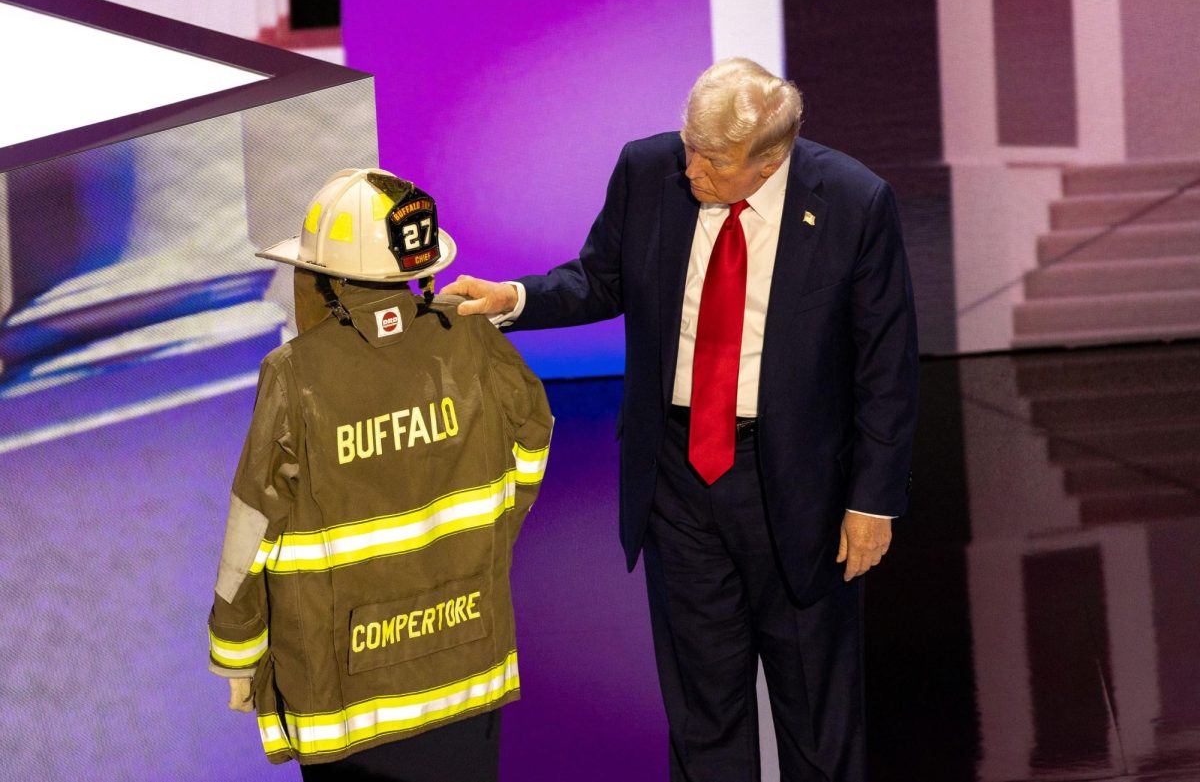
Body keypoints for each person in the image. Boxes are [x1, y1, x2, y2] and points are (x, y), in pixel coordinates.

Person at [443, 58, 918, 781]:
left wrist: (872, 500)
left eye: (714, 159)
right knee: (704, 710)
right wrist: (513, 299)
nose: (690, 166)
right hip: (678, 478)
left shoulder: (854, 202)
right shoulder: (648, 169)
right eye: (688, 143)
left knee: (818, 719)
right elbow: (598, 278)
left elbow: (886, 366)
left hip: (798, 491)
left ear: (770, 160)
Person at [207, 169, 553, 780]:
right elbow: (533, 437)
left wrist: (237, 655)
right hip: (464, 658)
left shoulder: (294, 375)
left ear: (329, 279)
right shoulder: (473, 337)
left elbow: (252, 529)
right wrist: (490, 534)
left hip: (343, 691)